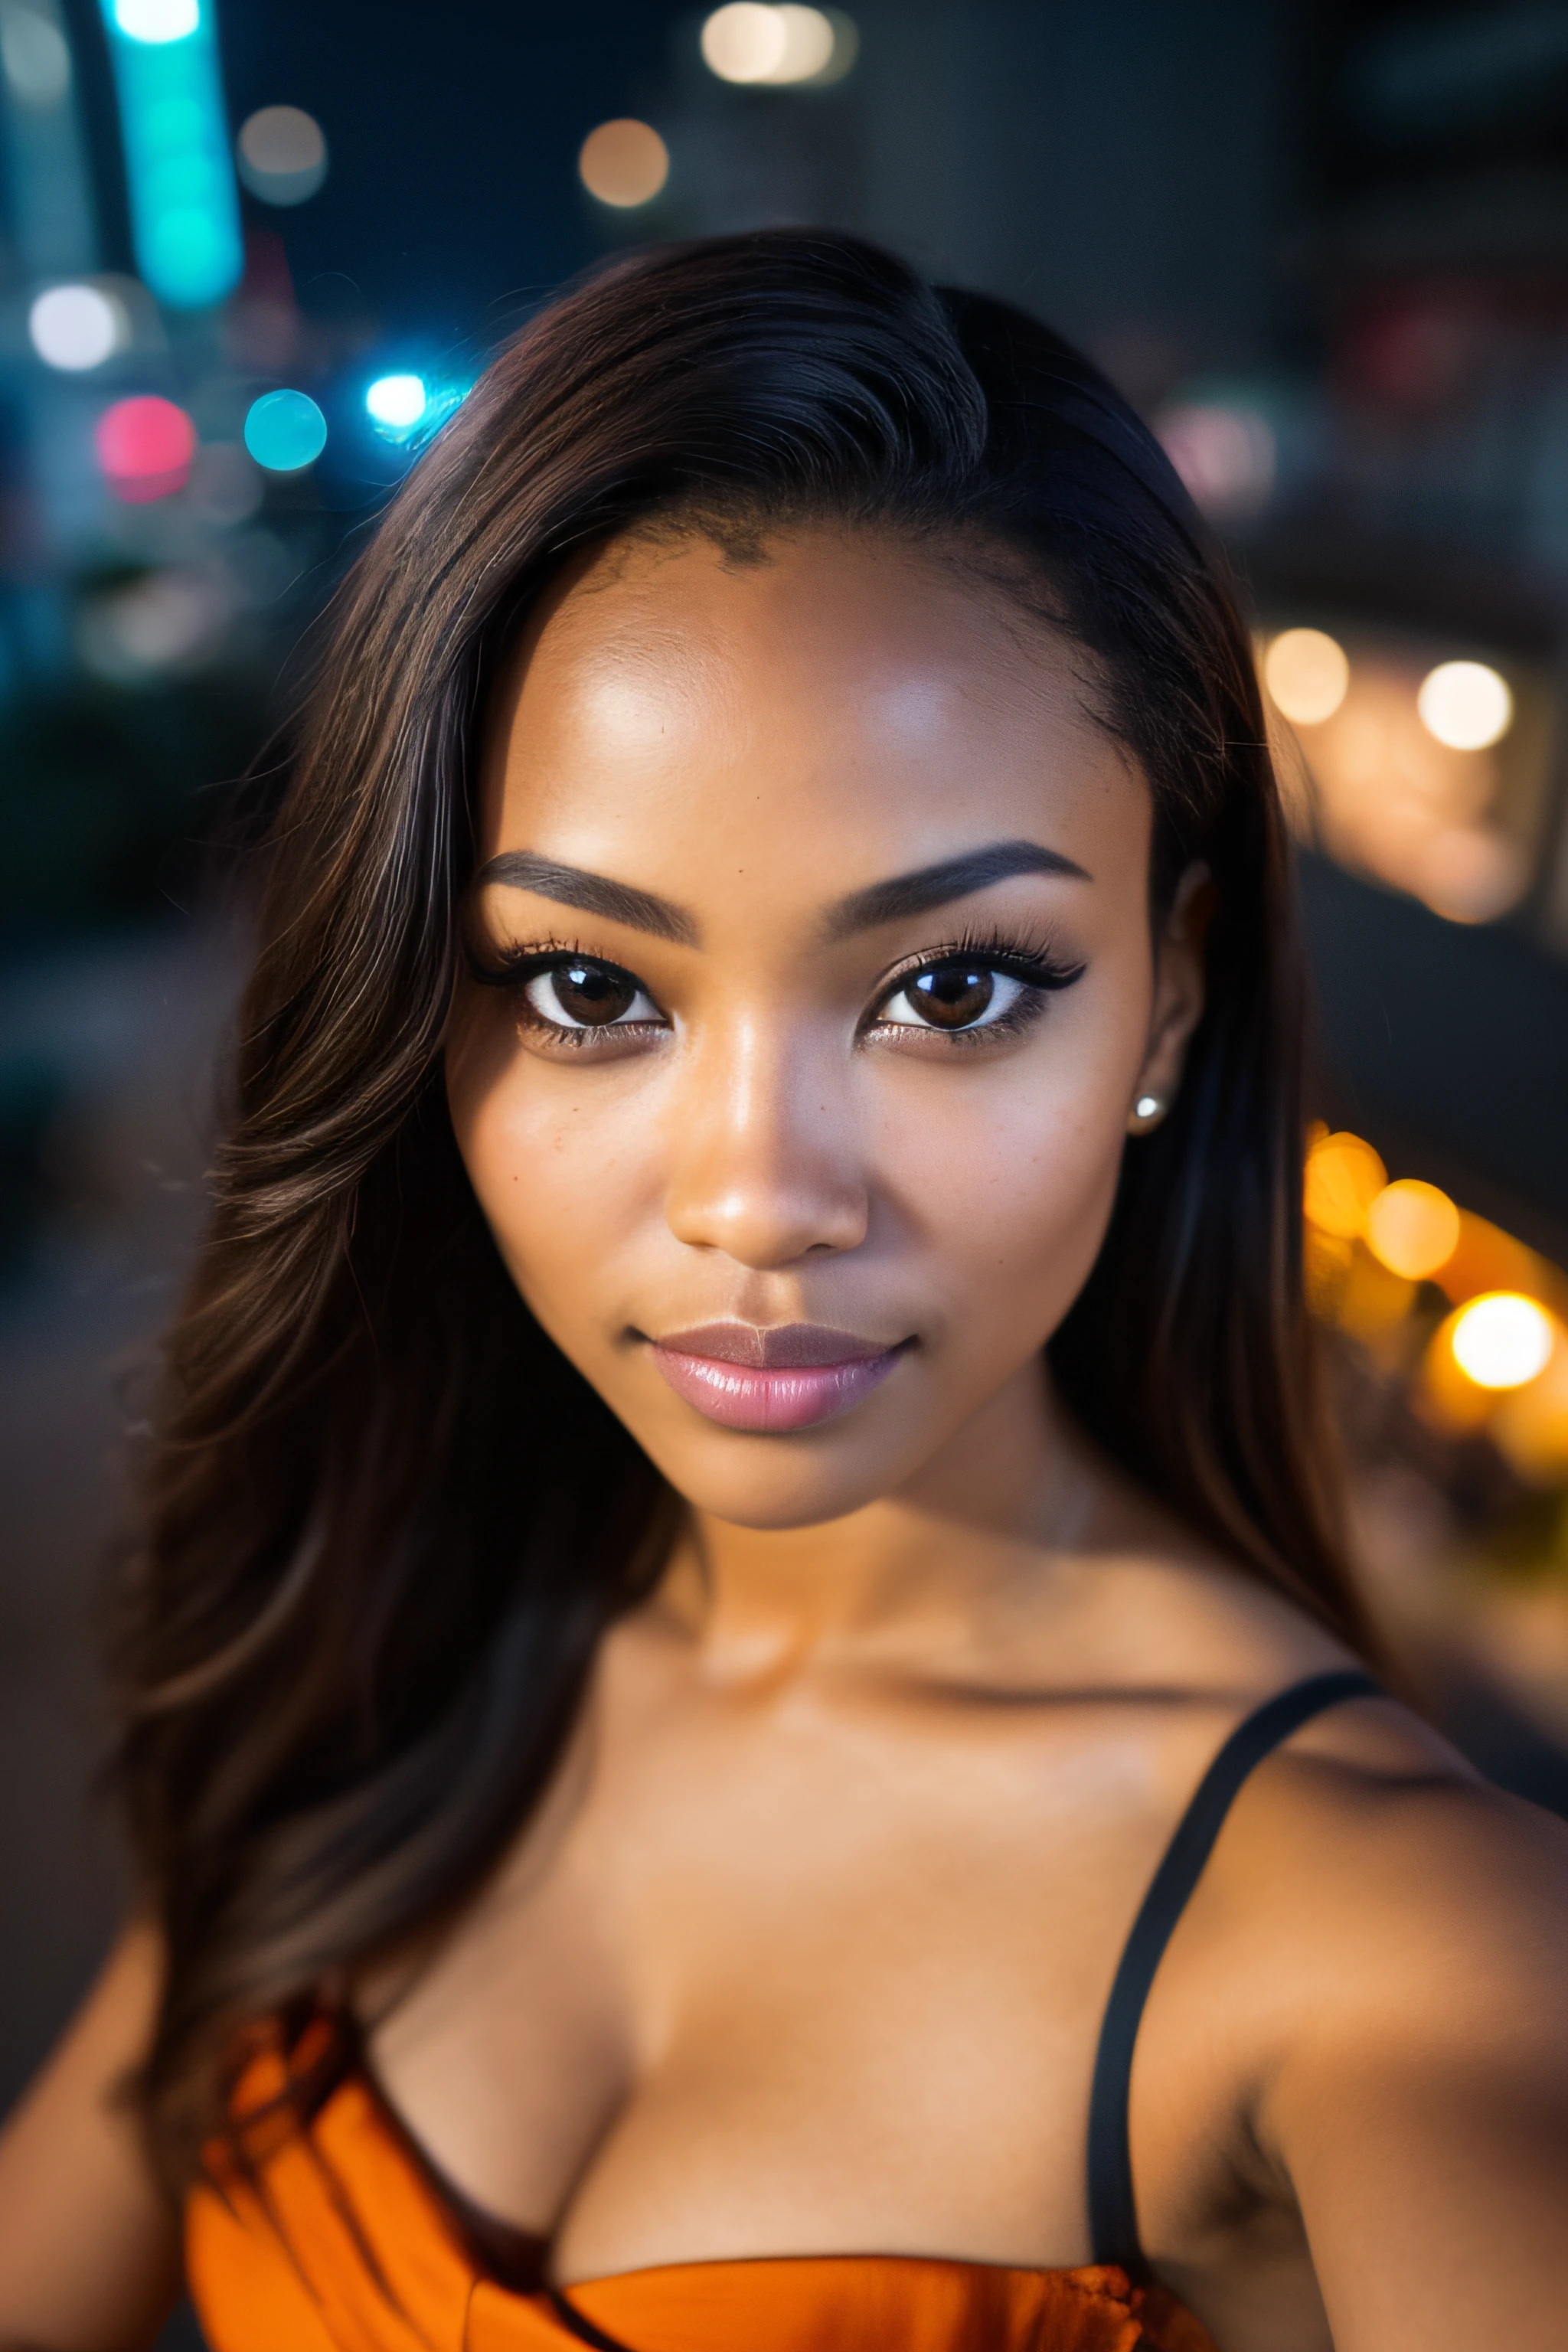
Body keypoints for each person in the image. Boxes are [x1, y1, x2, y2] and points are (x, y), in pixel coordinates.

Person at [2, 230, 1565, 2352]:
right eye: (585, 988)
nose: (758, 1198)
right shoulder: (370, 1655)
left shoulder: (1407, 1960)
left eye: (948, 990)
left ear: (1170, 1006)